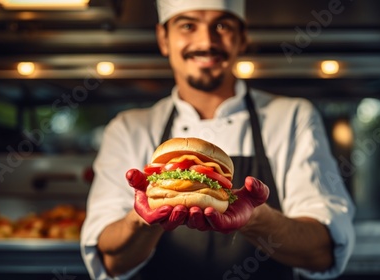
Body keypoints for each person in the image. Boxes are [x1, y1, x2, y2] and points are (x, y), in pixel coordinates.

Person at [81, 0, 355, 279]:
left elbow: (322, 254)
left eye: (222, 25)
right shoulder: (129, 128)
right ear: (163, 39)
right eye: (187, 25)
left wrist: (257, 218)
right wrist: (142, 218)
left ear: (242, 37)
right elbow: (111, 261)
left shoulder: (292, 117)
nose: (206, 41)